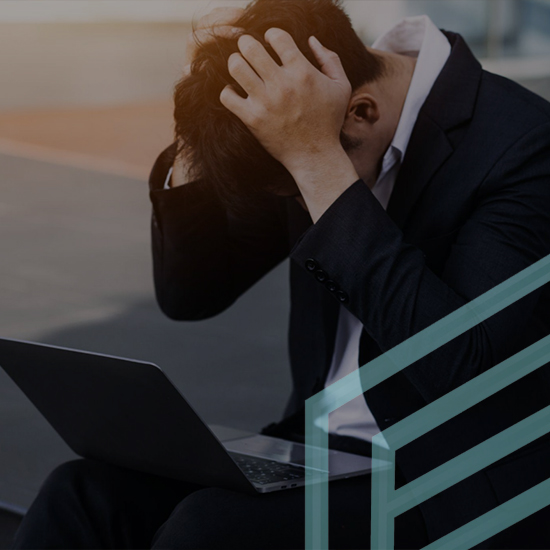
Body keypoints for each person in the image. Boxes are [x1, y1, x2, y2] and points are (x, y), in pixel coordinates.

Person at [12, 0, 550, 548]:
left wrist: (317, 161)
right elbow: (192, 292)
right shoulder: (298, 111)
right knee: (80, 493)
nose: (297, 197)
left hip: (445, 477)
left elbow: (458, 363)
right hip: (311, 452)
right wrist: (201, 130)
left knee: (210, 530)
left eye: (297, 183)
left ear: (359, 113)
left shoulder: (524, 144)